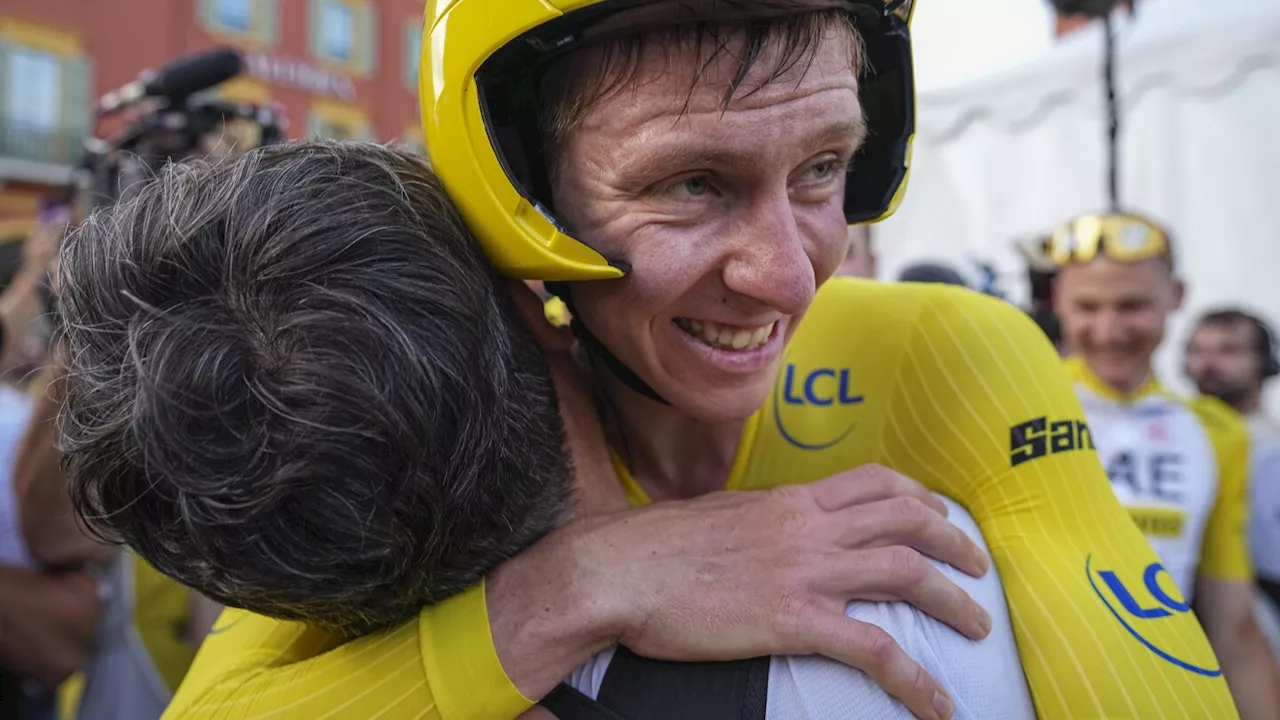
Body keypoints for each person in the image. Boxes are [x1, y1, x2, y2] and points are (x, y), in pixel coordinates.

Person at [98, 2, 1231, 719]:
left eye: (823, 167)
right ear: (518, 191)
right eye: (692, 184)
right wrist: (582, 585)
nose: (790, 276)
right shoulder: (430, 385)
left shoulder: (950, 351)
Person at [1051, 210, 1280, 719]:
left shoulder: (1217, 432)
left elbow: (1233, 624)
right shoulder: (1013, 403)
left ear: (1176, 296)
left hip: (1159, 698)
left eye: (1133, 306)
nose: (1109, 331)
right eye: (1087, 307)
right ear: (1059, 300)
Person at [1186, 308, 1280, 658]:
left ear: (1265, 361)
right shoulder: (1173, 436)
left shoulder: (1273, 446)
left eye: (1228, 350)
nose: (1208, 363)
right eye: (1198, 350)